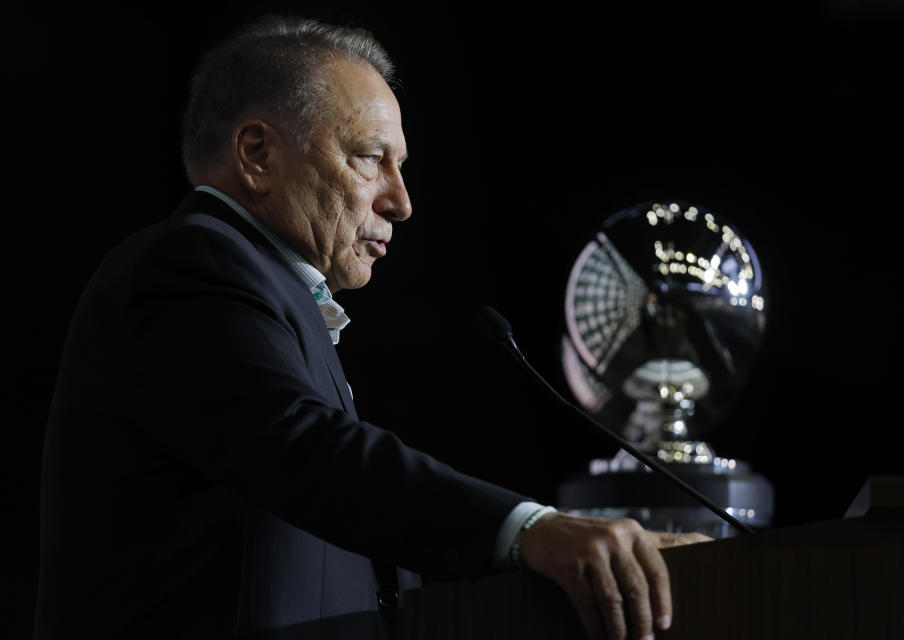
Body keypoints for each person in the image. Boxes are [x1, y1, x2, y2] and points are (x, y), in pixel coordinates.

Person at [34, 15, 706, 640]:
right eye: (369, 157)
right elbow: (306, 453)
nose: (401, 201)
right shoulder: (189, 265)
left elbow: (343, 525)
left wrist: (549, 556)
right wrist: (530, 530)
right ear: (257, 154)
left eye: (402, 167)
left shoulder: (260, 286)